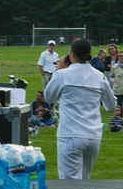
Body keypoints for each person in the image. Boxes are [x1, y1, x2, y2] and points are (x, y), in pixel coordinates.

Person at [44, 38, 116, 179]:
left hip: (70, 134)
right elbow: (111, 105)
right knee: (85, 180)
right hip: (94, 135)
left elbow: (49, 97)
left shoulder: (62, 75)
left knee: (70, 186)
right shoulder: (98, 75)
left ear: (72, 54)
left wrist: (59, 71)